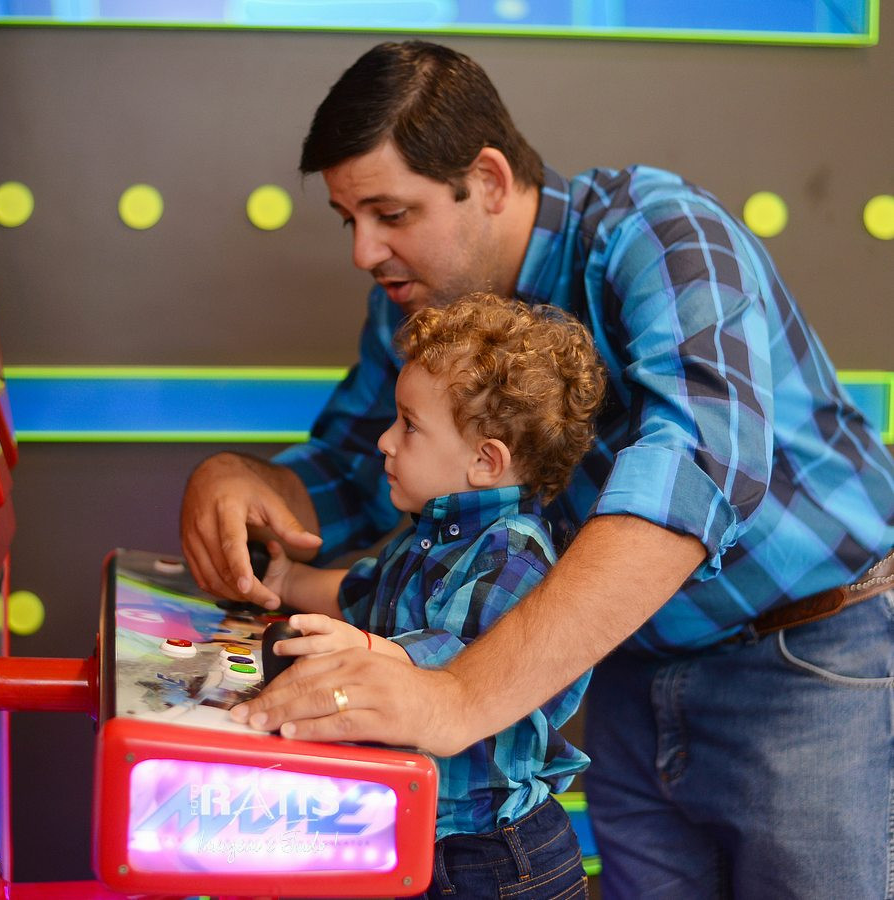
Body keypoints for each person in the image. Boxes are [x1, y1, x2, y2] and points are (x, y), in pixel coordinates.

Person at [180, 40, 894, 898]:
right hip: (621, 670)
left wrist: (455, 697)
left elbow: (698, 463)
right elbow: (352, 472)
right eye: (349, 220)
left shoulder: (656, 232)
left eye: (390, 213)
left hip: (807, 661)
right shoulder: (416, 300)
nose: (365, 252)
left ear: (486, 179)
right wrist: (243, 483)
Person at [259, 294, 603, 899]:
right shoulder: (428, 537)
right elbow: (360, 591)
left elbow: (460, 655)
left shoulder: (514, 552)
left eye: (409, 426)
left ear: (485, 461)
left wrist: (361, 650)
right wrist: (286, 583)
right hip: (418, 830)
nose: (385, 442)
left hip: (495, 854)